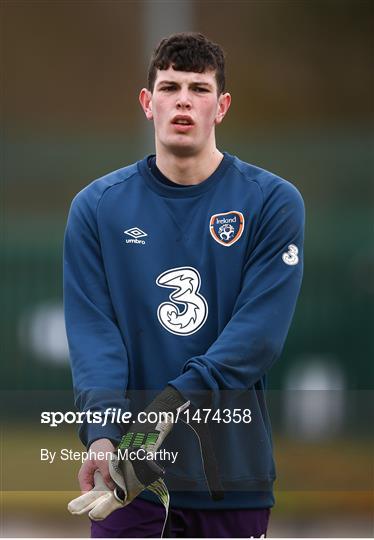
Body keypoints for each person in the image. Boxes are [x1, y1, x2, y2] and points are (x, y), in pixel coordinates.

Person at [64, 32, 304, 538]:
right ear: (147, 103)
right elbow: (94, 336)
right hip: (130, 482)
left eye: (199, 88)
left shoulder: (272, 202)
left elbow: (257, 336)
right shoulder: (97, 208)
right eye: (170, 87)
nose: (184, 101)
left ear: (222, 106)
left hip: (231, 479)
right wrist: (105, 435)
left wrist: (171, 404)